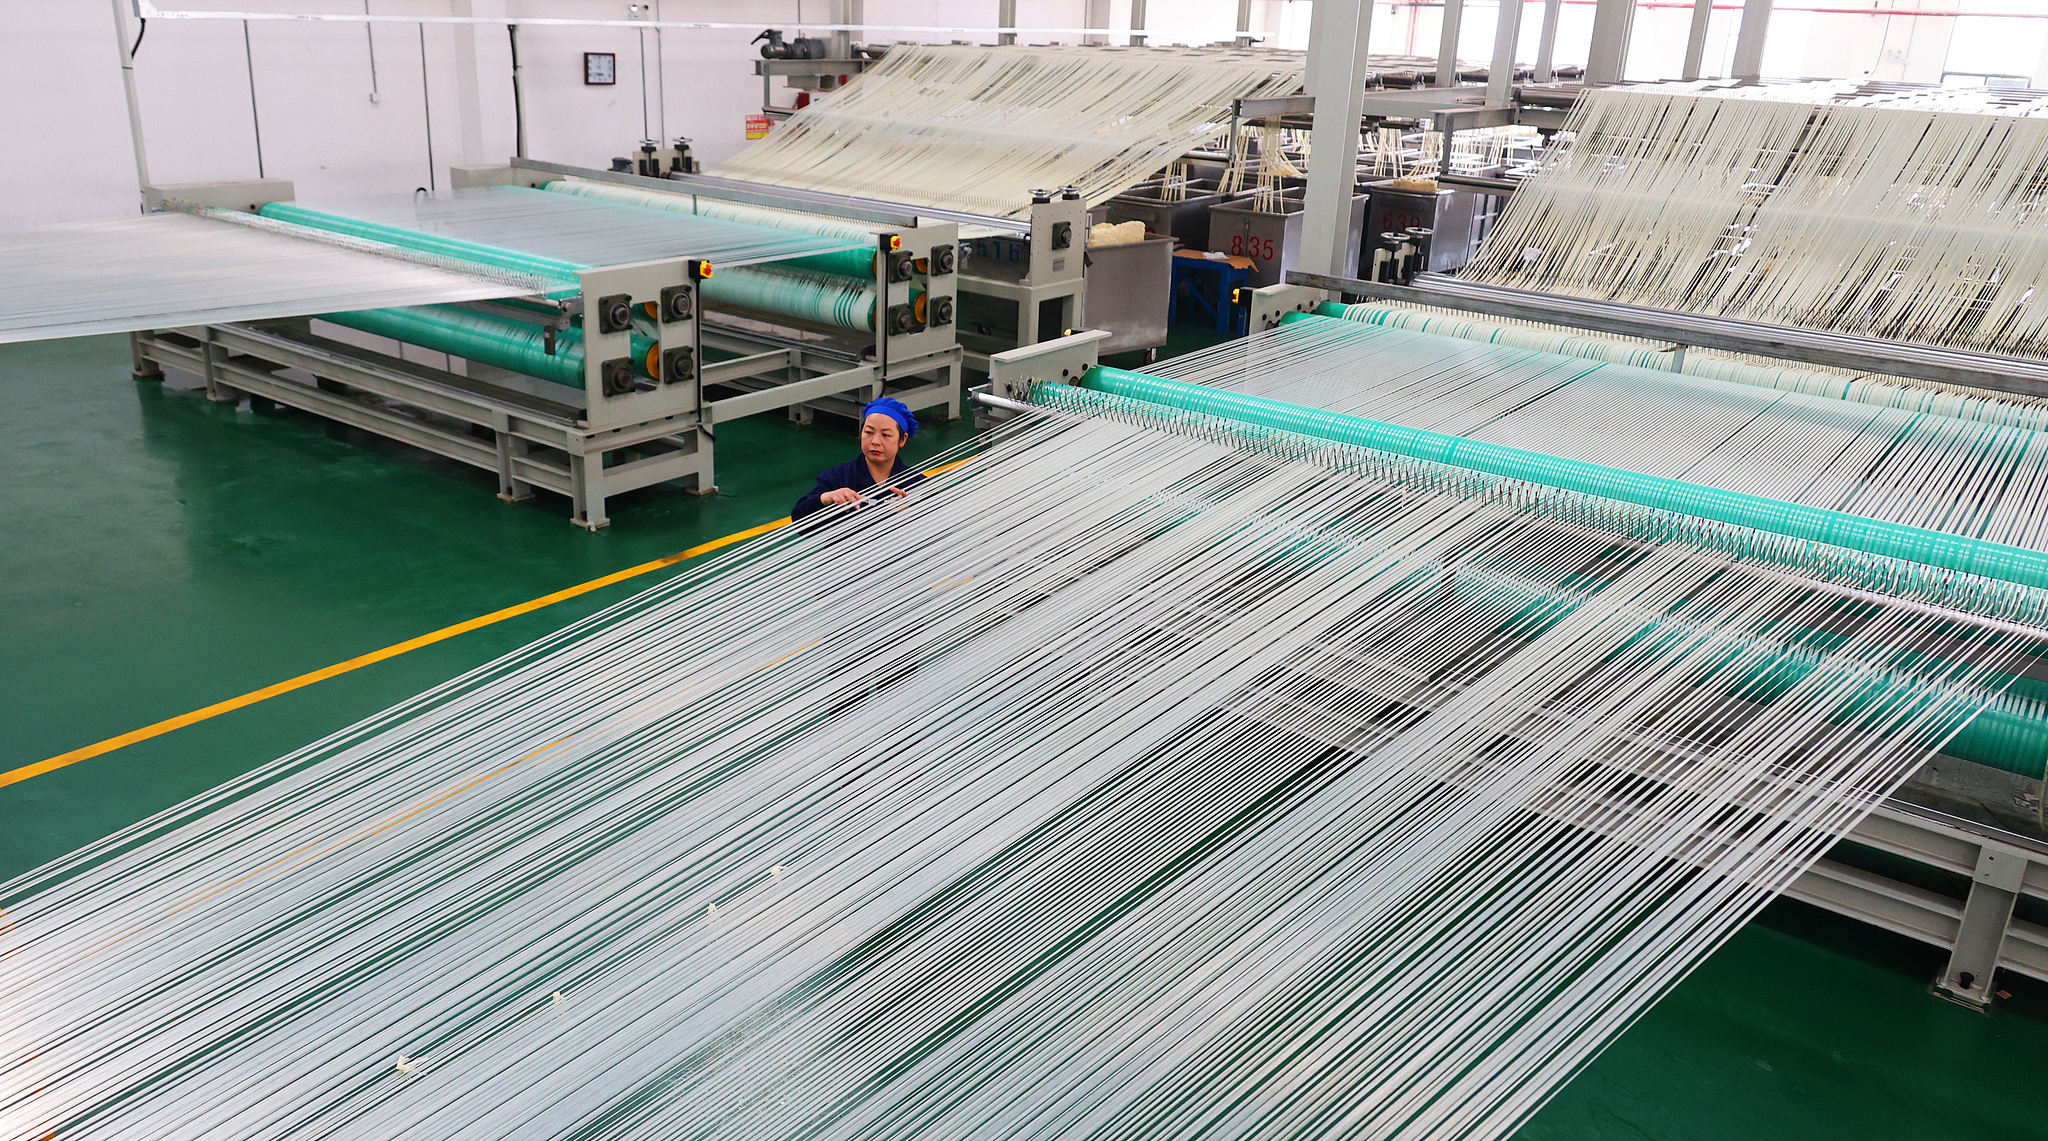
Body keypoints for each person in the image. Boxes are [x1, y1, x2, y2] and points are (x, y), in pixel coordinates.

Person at [791, 397, 926, 520]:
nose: (875, 441)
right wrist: (825, 499)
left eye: (885, 435)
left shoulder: (915, 483)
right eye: (869, 432)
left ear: (903, 440)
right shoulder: (839, 477)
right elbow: (799, 521)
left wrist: (910, 514)